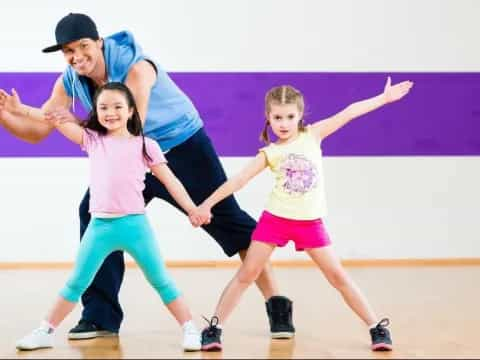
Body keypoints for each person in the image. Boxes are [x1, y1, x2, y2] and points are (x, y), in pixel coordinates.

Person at [0, 13, 294, 339]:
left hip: (181, 147)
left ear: (99, 42)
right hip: (128, 158)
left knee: (226, 219)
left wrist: (56, 118)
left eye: (83, 46)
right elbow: (37, 132)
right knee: (96, 214)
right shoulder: (69, 79)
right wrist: (7, 114)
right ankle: (100, 318)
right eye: (68, 51)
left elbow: (130, 127)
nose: (76, 56)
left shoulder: (137, 68)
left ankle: (277, 303)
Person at [197, 78, 414, 351]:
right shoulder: (270, 152)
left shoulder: (313, 135)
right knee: (247, 273)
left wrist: (383, 99)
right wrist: (206, 205)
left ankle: (376, 328)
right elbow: (238, 180)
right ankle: (214, 328)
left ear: (300, 115)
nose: (284, 123)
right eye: (277, 117)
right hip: (275, 220)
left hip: (309, 222)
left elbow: (348, 112)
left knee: (338, 276)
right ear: (268, 117)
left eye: (289, 116)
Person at [15, 82, 211, 351]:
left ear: (131, 110)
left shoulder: (146, 145)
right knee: (76, 282)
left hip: (135, 226)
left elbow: (171, 182)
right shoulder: (92, 140)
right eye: (103, 107)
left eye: (118, 106)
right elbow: (53, 117)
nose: (111, 112)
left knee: (161, 280)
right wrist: (20, 110)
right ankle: (45, 331)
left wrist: (192, 209)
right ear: (96, 111)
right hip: (100, 227)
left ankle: (190, 329)